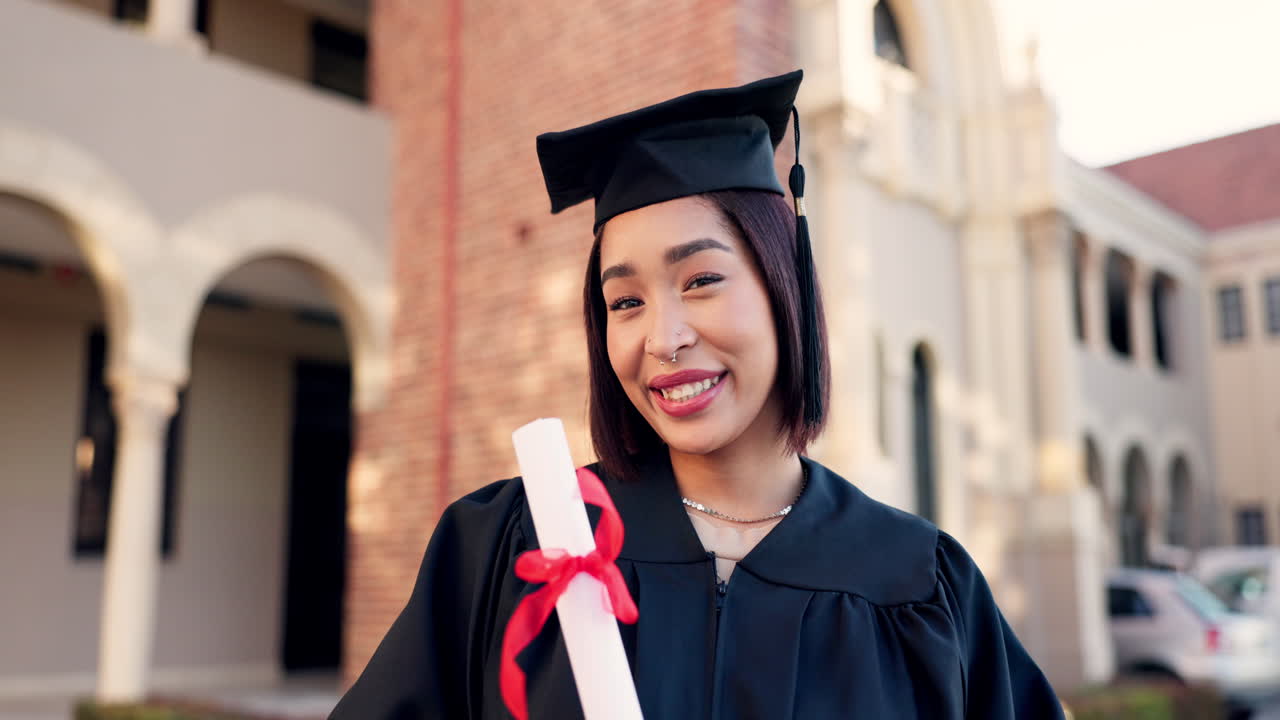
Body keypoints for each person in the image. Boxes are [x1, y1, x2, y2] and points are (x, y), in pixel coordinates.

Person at [330, 70, 1065, 719]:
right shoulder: (516, 544)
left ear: (786, 289)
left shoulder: (918, 584)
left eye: (701, 280)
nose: (663, 336)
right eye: (625, 302)